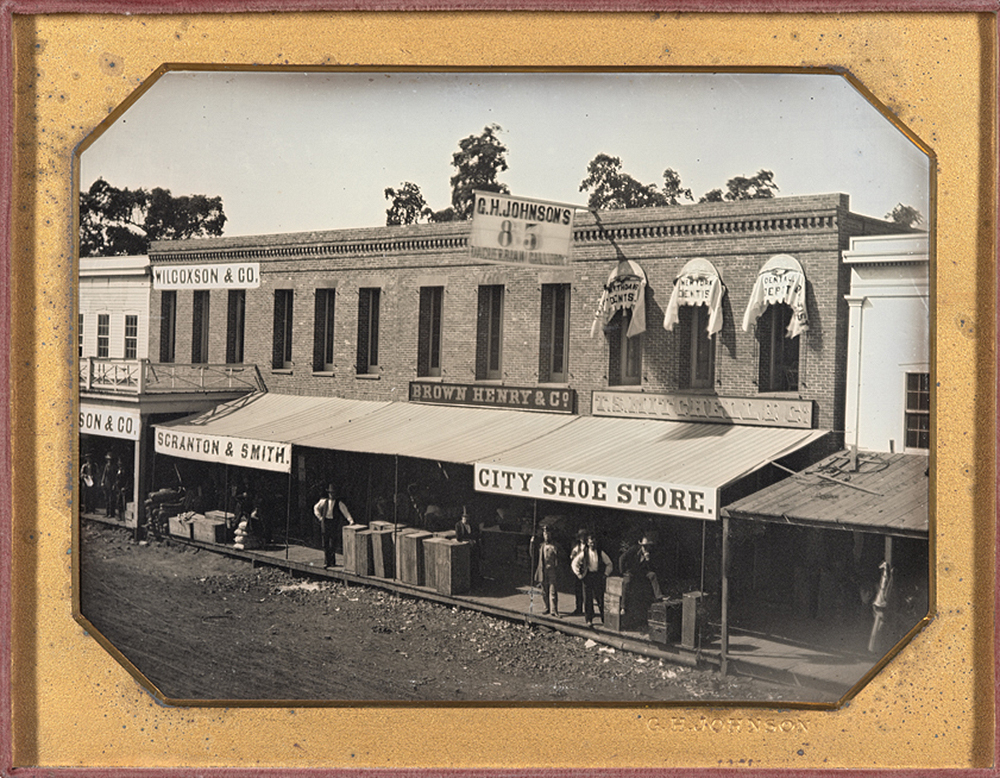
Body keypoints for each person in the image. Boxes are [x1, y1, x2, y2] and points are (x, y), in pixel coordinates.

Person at [619, 535, 665, 630]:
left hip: (641, 572)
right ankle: (623, 607)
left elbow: (652, 568)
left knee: (652, 575)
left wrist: (648, 560)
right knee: (627, 582)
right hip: (631, 571)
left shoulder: (650, 553)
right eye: (644, 546)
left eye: (647, 546)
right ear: (641, 545)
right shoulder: (634, 549)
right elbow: (622, 558)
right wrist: (623, 571)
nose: (646, 547)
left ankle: (659, 596)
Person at [572, 533, 613, 626]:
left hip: (597, 577)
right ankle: (588, 620)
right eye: (590, 543)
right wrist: (579, 574)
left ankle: (604, 620)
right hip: (587, 577)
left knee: (600, 599)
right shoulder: (584, 552)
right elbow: (574, 563)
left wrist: (606, 574)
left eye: (594, 543)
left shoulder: (600, 552)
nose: (592, 545)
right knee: (587, 599)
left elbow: (609, 563)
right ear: (587, 543)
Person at [313, 483, 355, 567]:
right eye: (330, 493)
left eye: (333, 493)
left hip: (333, 523)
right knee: (325, 542)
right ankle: (326, 561)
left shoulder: (339, 503)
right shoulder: (323, 501)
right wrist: (320, 517)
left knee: (332, 542)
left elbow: (345, 512)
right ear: (328, 493)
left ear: (335, 494)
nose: (331, 495)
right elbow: (315, 508)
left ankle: (332, 562)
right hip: (325, 522)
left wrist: (351, 521)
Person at [534, 525, 564, 616]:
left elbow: (563, 556)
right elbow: (532, 554)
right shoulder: (541, 546)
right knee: (544, 591)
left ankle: (554, 610)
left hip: (552, 571)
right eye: (545, 534)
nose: (546, 536)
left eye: (548, 534)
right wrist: (532, 543)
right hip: (543, 571)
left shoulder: (555, 545)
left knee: (553, 590)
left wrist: (557, 551)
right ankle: (546, 607)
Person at [455, 507, 481, 583]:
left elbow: (477, 534)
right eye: (464, 517)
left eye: (467, 517)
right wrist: (468, 540)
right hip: (464, 547)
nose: (466, 519)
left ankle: (476, 578)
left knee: (474, 562)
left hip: (473, 546)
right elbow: (458, 537)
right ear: (462, 518)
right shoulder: (458, 525)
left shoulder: (472, 524)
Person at [568, 529, 589, 616]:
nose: (582, 538)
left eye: (584, 537)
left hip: (587, 571)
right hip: (579, 571)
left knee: (587, 592)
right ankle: (579, 608)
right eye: (581, 537)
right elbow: (572, 555)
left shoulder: (589, 546)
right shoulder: (577, 546)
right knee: (578, 590)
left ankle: (588, 610)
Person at [100, 452, 116, 517]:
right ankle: (107, 512)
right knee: (106, 498)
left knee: (111, 498)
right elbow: (104, 474)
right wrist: (102, 482)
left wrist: (114, 484)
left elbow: (115, 476)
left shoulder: (114, 466)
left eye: (110, 459)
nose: (109, 460)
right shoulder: (106, 466)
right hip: (106, 483)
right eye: (108, 459)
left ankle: (111, 513)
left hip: (111, 483)